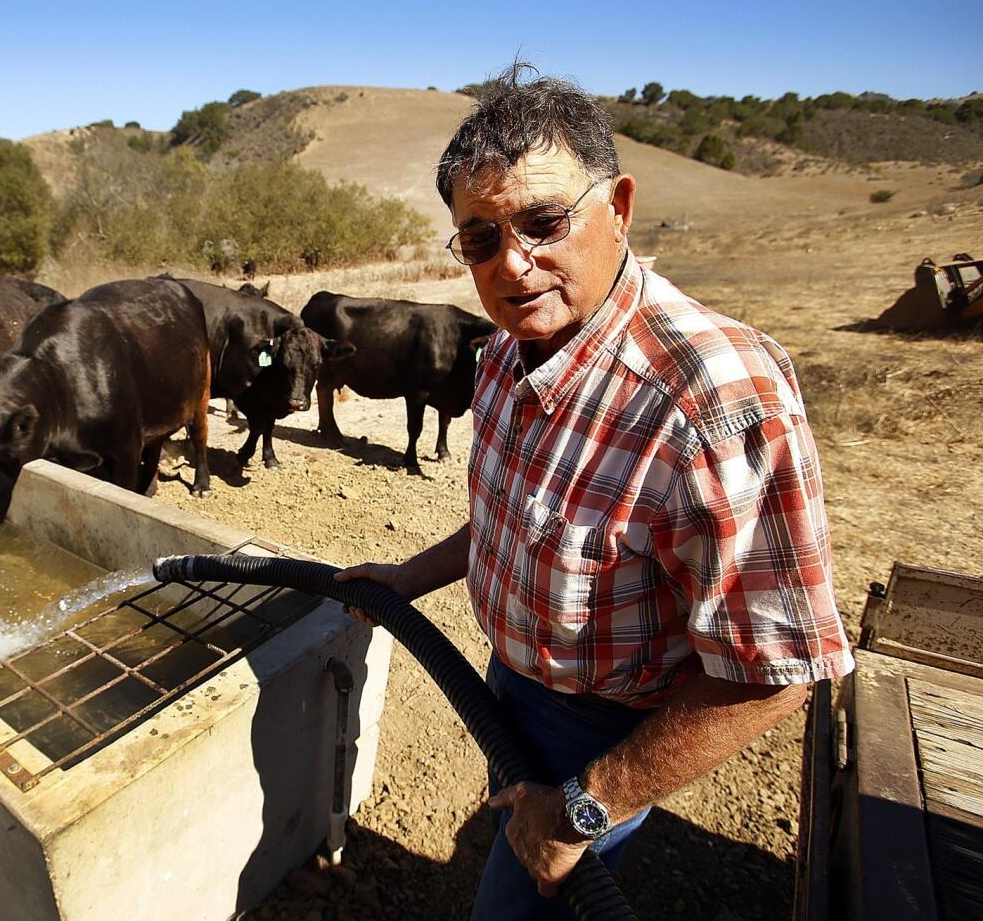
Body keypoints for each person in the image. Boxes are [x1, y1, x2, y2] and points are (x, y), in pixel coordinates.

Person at [336, 65, 854, 919]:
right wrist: (406, 579)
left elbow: (775, 671)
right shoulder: (510, 347)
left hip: (604, 728)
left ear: (618, 205)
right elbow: (516, 515)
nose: (514, 263)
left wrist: (586, 804)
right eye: (480, 239)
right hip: (511, 682)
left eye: (544, 221)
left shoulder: (718, 401)